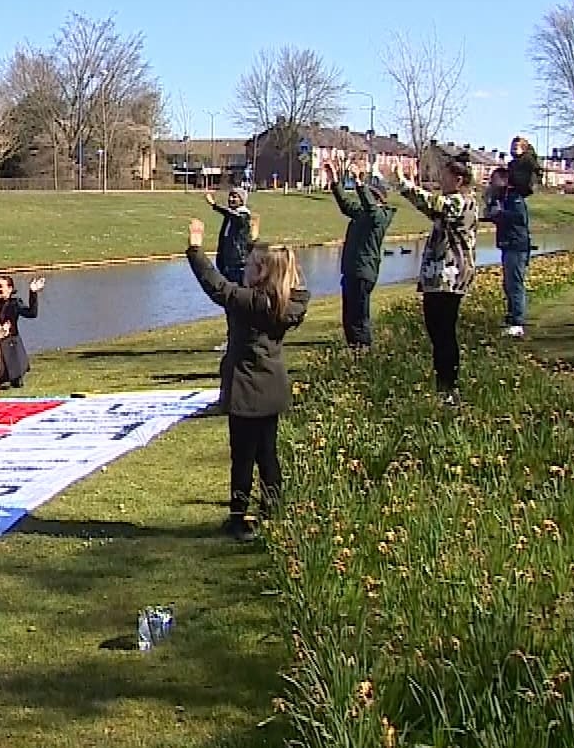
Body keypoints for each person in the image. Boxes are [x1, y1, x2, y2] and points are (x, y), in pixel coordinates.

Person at [186, 219, 310, 540]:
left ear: (263, 273)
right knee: (267, 453)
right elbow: (291, 280)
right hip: (271, 389)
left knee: (241, 457)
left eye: (252, 265)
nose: (244, 267)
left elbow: (217, 287)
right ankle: (273, 510)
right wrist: (261, 245)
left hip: (247, 390)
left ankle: (239, 520)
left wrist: (196, 250)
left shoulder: (252, 303)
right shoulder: (289, 301)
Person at [398, 154, 479, 402]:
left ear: (458, 179)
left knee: (443, 333)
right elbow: (434, 209)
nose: (440, 180)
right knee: (438, 333)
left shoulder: (462, 202)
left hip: (449, 278)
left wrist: (405, 185)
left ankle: (449, 388)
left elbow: (433, 204)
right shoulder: (456, 203)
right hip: (441, 278)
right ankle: (443, 386)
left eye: (445, 176)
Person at [325, 161, 395, 350]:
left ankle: (363, 349)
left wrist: (359, 183)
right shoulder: (361, 214)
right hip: (350, 271)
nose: (365, 200)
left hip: (364, 272)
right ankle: (353, 349)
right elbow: (345, 204)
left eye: (371, 197)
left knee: (359, 315)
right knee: (348, 315)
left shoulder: (380, 217)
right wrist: (334, 182)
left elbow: (371, 209)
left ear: (378, 199)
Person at [484, 165, 533, 338]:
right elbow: (492, 215)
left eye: (494, 179)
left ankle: (518, 322)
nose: (491, 182)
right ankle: (511, 316)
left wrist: (500, 213)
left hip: (517, 246)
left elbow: (520, 218)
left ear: (504, 180)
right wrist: (490, 206)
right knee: (508, 284)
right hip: (507, 245)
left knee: (515, 284)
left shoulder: (514, 197)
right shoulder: (501, 197)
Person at [205, 187, 253, 284]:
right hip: (226, 261)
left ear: (242, 200)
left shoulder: (243, 216)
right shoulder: (230, 216)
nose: (231, 199)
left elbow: (232, 215)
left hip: (238, 262)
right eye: (230, 196)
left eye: (235, 197)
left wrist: (214, 205)